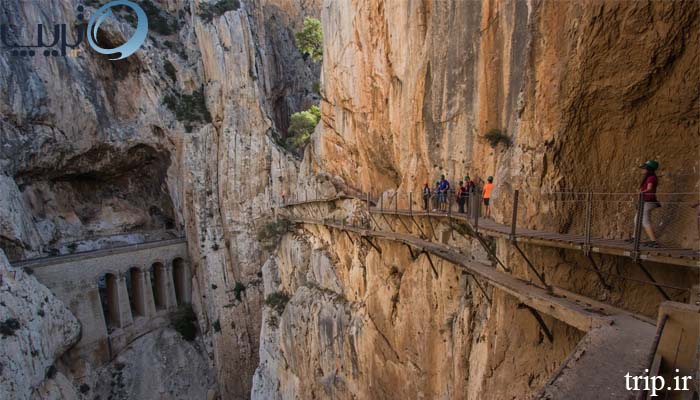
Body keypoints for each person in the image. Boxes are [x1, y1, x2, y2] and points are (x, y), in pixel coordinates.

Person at [634, 160, 661, 247]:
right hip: (646, 201)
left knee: (645, 221)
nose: (642, 170)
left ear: (649, 169)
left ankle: (654, 241)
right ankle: (635, 237)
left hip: (648, 201)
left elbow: (650, 188)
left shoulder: (651, 177)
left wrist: (641, 192)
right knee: (636, 219)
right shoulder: (649, 177)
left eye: (644, 168)